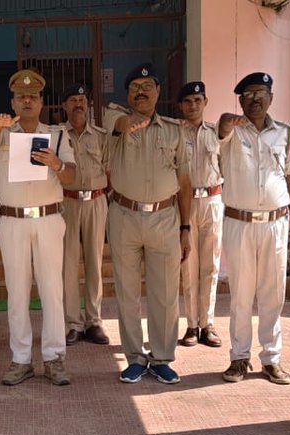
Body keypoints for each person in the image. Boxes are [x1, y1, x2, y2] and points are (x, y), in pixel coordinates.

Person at [0, 69, 77, 386]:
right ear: (12, 101)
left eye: (33, 97)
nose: (27, 101)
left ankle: (54, 358)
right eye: (21, 97)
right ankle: (21, 359)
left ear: (41, 102)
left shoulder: (56, 134)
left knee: (52, 292)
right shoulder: (3, 133)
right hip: (12, 221)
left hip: (48, 220)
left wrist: (57, 164)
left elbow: (72, 176)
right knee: (17, 293)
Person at [106, 63, 193, 385]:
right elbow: (117, 126)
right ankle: (134, 357)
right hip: (125, 216)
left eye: (147, 86)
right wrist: (126, 124)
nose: (141, 92)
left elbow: (185, 182)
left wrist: (186, 228)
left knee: (166, 293)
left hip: (165, 218)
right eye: (134, 87)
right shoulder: (114, 120)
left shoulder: (174, 130)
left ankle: (161, 358)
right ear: (127, 94)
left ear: (158, 91)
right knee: (127, 292)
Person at [216, 72, 290, 385]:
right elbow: (220, 132)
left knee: (273, 295)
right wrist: (226, 123)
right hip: (239, 223)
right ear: (240, 100)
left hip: (275, 224)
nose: (255, 100)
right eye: (248, 95)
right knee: (241, 294)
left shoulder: (285, 133)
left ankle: (271, 359)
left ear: (271, 98)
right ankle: (239, 357)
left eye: (260, 94)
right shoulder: (230, 132)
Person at [58, 83, 110, 347]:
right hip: (66, 202)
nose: (78, 104)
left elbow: (110, 170)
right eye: (73, 100)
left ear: (87, 104)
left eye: (82, 99)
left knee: (94, 262)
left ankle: (94, 321)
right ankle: (73, 323)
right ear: (64, 106)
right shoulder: (57, 135)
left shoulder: (100, 136)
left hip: (96, 201)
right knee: (68, 263)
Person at [176, 81, 225, 349]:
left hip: (212, 200)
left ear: (205, 102)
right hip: (185, 203)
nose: (193, 105)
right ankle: (191, 325)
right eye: (187, 101)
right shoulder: (175, 133)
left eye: (197, 100)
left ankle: (208, 324)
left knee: (210, 265)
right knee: (188, 264)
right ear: (180, 106)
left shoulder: (218, 132)